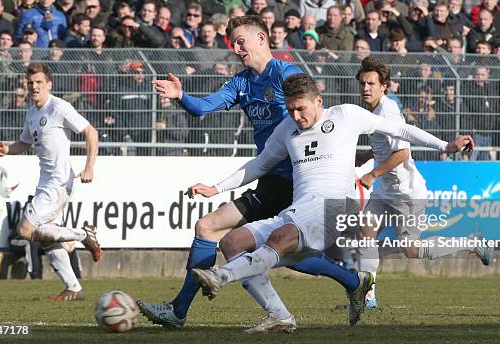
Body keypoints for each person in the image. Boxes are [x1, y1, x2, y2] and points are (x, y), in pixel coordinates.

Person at [137, 15, 373, 331]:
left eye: (240, 41)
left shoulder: (287, 75)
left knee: (262, 245)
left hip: (300, 181)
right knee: (217, 232)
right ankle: (351, 280)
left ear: (261, 38)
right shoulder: (242, 83)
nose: (235, 49)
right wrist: (181, 97)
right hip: (270, 180)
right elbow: (204, 107)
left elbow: (319, 118)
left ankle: (181, 311)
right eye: (232, 43)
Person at [188, 72, 475, 330]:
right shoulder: (287, 129)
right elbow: (260, 164)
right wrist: (216, 188)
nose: (296, 116)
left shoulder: (346, 115)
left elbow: (399, 131)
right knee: (232, 243)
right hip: (301, 207)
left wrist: (445, 145)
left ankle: (220, 277)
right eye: (291, 109)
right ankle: (281, 315)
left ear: (319, 101)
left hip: (336, 204)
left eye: (301, 108)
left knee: (281, 237)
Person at [353, 57, 492, 310]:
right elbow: (389, 146)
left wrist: (372, 174)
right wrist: (367, 155)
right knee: (365, 232)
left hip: (407, 194)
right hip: (386, 192)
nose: (366, 88)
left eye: (371, 83)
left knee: (412, 250)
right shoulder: (373, 112)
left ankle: (470, 242)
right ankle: (368, 297)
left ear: (384, 86)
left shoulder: (388, 109)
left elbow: (402, 153)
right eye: (362, 83)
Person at [0, 63, 102, 300]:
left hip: (59, 183)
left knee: (25, 229)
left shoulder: (59, 107)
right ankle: (73, 287)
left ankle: (84, 235)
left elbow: (91, 132)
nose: (34, 87)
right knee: (44, 238)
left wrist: (89, 166)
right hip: (45, 183)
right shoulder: (32, 113)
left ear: (49, 84)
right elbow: (24, 143)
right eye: (30, 83)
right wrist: (7, 149)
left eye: (39, 82)